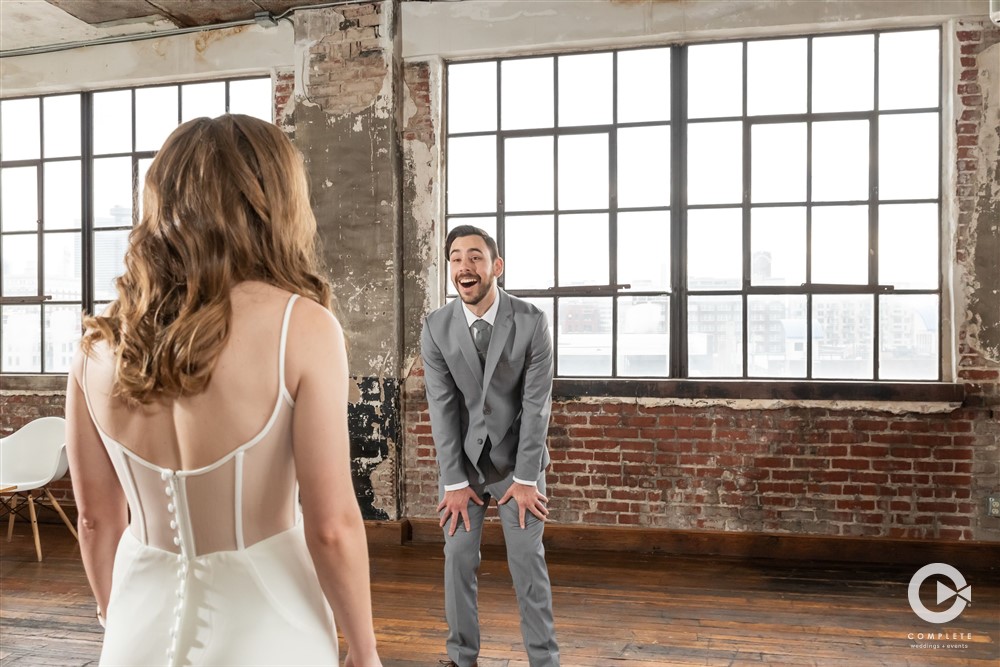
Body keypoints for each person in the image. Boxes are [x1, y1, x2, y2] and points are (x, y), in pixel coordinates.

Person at [64, 114, 382, 667]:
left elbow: (95, 519)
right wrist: (365, 650)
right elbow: (331, 527)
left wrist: (114, 618)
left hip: (137, 625)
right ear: (275, 200)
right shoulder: (299, 326)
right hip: (268, 623)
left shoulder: (98, 344)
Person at [420, 225, 560, 667]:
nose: (465, 266)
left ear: (496, 266)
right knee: (458, 556)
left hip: (519, 463)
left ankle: (544, 660)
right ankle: (462, 658)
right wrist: (454, 482)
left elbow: (537, 407)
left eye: (476, 257)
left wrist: (523, 480)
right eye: (457, 258)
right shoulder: (435, 327)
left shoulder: (532, 322)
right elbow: (441, 410)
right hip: (465, 465)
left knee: (526, 562)